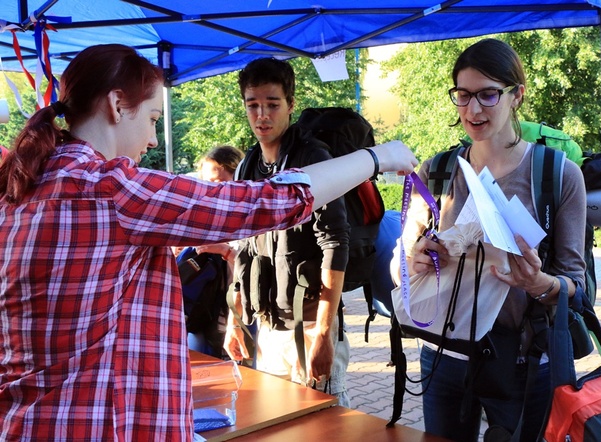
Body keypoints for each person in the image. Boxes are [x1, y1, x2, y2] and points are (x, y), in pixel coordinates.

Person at [0, 44, 418, 441]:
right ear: (116, 105)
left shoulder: (23, 186)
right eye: (151, 119)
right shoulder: (109, 189)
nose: (153, 140)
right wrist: (377, 158)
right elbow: (268, 203)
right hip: (96, 424)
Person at [390, 38, 586, 441]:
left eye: (488, 95)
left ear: (518, 96)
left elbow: (576, 285)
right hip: (446, 354)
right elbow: (399, 268)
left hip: (524, 362)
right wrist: (413, 258)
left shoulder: (557, 175)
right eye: (463, 95)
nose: (473, 110)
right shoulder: (438, 171)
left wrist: (540, 284)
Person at [223, 57, 351, 406]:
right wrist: (236, 317)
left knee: (323, 429)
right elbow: (244, 246)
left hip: (309, 324)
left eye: (272, 104)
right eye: (253, 105)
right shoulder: (249, 165)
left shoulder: (313, 159)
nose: (262, 115)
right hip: (268, 324)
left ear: (291, 106)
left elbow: (335, 242)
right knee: (275, 421)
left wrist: (325, 332)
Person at [179, 145, 245, 358]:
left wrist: (226, 251)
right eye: (206, 184)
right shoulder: (201, 218)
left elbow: (258, 270)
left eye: (218, 184)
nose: (211, 191)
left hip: (243, 315)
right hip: (203, 315)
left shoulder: (251, 219)